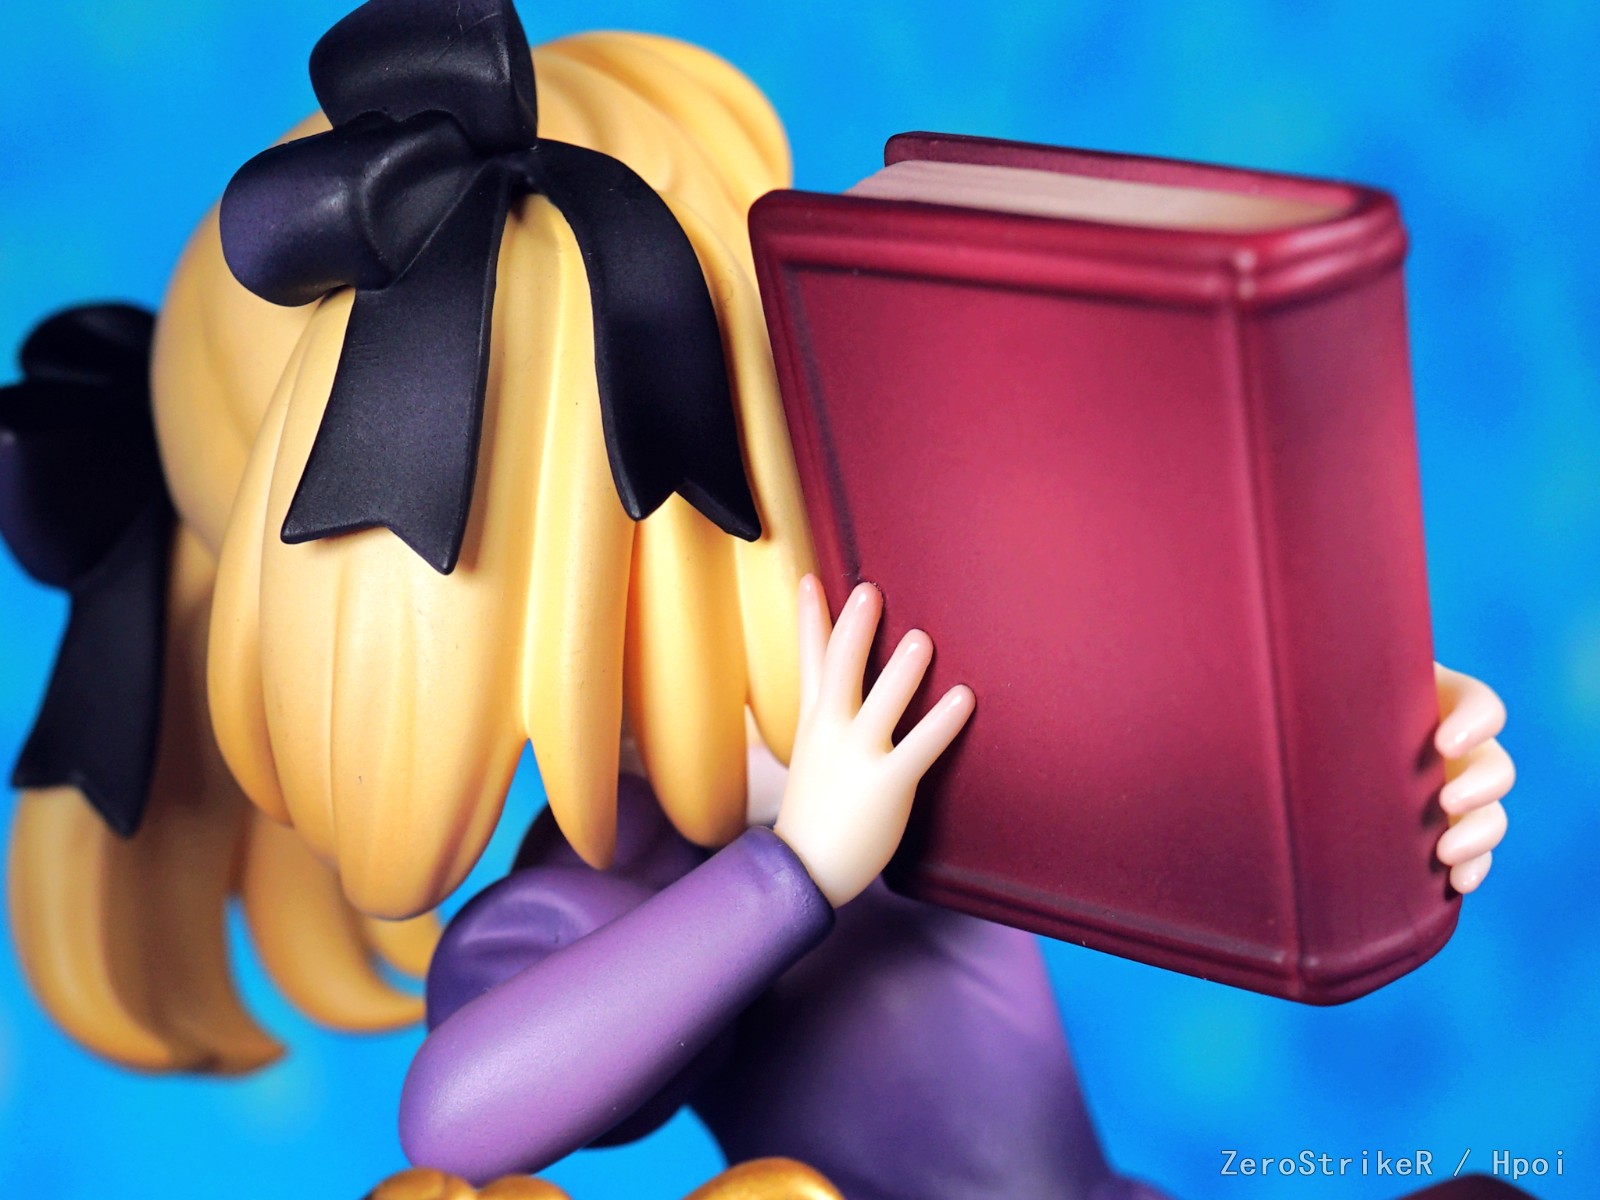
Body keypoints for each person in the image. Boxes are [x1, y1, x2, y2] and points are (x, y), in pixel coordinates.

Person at [0, 1, 1513, 1195]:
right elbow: (456, 1112)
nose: (748, 536)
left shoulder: (892, 712)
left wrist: (1379, 758)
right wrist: (795, 872)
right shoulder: (611, 890)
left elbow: (1179, 769)